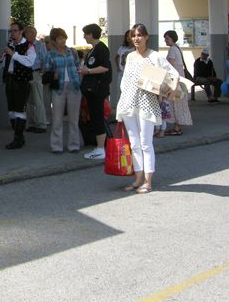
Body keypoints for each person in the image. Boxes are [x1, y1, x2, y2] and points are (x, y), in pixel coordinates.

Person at [116, 23, 179, 194]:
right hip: (129, 103)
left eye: (139, 35)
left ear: (146, 37)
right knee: (134, 144)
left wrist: (171, 90)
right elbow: (125, 81)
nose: (136, 38)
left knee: (145, 143)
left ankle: (148, 181)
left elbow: (173, 74)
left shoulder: (155, 56)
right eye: (133, 35)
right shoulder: (130, 57)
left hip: (147, 103)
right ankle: (137, 179)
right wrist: (123, 100)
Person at [43, 28, 81, 154]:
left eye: (64, 37)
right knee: (57, 119)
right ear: (54, 40)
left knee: (74, 119)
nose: (62, 40)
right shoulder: (50, 55)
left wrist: (79, 80)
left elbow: (78, 66)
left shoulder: (73, 52)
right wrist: (52, 76)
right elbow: (47, 71)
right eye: (59, 38)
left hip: (74, 86)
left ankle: (74, 145)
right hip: (58, 87)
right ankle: (56, 146)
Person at [78, 23, 112, 160]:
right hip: (91, 90)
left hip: (98, 90)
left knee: (98, 117)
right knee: (95, 117)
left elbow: (105, 67)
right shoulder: (94, 49)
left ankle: (100, 148)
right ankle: (99, 146)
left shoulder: (101, 48)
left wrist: (88, 71)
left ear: (92, 34)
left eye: (86, 34)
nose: (84, 36)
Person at [1, 21, 36, 149]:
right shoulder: (10, 45)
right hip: (10, 80)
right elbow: (7, 63)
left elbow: (29, 62)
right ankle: (19, 138)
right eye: (11, 31)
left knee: (19, 111)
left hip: (22, 82)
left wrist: (13, 54)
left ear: (21, 32)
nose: (12, 33)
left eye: (15, 31)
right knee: (11, 111)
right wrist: (1, 61)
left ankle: (18, 138)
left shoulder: (29, 46)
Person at [162, 30, 192, 136]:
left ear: (172, 39)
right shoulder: (177, 48)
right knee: (179, 103)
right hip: (180, 80)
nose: (165, 40)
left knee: (175, 104)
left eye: (167, 38)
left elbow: (169, 66)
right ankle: (177, 126)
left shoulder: (172, 50)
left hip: (175, 81)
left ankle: (177, 128)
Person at [23, 25, 47, 133]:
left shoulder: (40, 45)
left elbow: (44, 59)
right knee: (28, 101)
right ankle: (31, 123)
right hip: (25, 74)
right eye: (26, 32)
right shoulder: (24, 45)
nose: (27, 34)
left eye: (29, 32)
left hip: (36, 73)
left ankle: (41, 124)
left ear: (34, 34)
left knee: (38, 100)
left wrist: (42, 72)